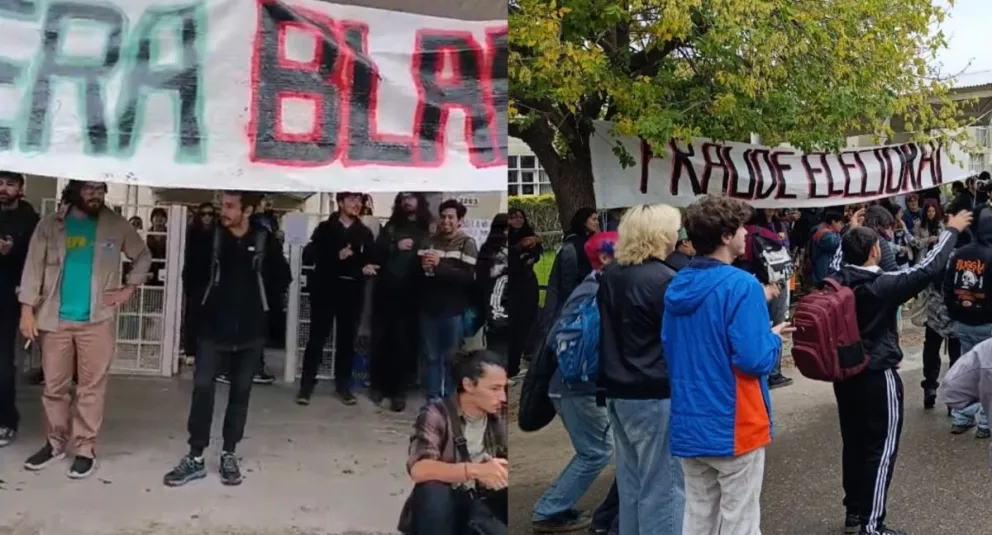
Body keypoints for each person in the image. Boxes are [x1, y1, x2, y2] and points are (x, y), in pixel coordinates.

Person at [829, 209, 970, 535]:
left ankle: (854, 513)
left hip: (845, 374)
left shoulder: (836, 278)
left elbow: (841, 255)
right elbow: (928, 267)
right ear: (875, 251)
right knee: (881, 448)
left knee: (853, 442)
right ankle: (873, 524)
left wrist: (850, 233)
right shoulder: (882, 285)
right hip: (878, 374)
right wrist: (950, 230)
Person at [662, 195, 789, 535]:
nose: (746, 233)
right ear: (724, 236)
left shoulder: (677, 284)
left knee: (700, 515)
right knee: (740, 521)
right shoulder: (741, 285)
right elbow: (754, 359)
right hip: (735, 419)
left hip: (690, 418)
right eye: (740, 227)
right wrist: (773, 338)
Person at [18, 180, 151, 479]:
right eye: (89, 189)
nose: (95, 195)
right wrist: (27, 310)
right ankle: (54, 443)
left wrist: (127, 290)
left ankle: (85, 448)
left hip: (97, 320)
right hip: (55, 320)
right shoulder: (50, 225)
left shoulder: (116, 225)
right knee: (54, 387)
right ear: (75, 190)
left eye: (100, 189)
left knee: (91, 388)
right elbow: (33, 268)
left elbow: (142, 255)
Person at [162, 191, 290, 487]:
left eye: (231, 206)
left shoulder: (263, 240)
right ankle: (195, 456)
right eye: (223, 205)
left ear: (247, 210)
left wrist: (259, 307)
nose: (224, 211)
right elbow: (190, 277)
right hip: (211, 330)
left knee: (240, 395)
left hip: (250, 331)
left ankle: (229, 453)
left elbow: (282, 278)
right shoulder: (210, 238)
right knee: (203, 389)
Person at [597, 204, 685, 535]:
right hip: (654, 389)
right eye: (676, 228)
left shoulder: (612, 274)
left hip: (619, 390)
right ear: (661, 233)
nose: (679, 234)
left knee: (632, 485)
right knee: (664, 488)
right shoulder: (664, 280)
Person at [531, 231, 618, 534]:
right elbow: (564, 340)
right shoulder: (596, 290)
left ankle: (553, 507)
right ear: (605, 258)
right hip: (578, 387)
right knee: (596, 451)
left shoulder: (592, 286)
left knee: (598, 448)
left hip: (575, 386)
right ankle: (548, 510)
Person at [398, 349, 508, 535]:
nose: (503, 397)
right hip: (448, 503)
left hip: (485, 499)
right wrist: (475, 470)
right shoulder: (436, 414)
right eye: (494, 389)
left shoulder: (501, 414)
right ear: (469, 385)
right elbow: (419, 469)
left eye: (504, 388)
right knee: (433, 491)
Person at [298, 191, 376, 406]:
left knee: (346, 340)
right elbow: (310, 254)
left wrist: (366, 266)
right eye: (351, 199)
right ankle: (306, 385)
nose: (356, 204)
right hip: (325, 288)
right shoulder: (325, 228)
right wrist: (335, 255)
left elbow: (370, 259)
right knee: (317, 338)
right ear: (340, 202)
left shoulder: (364, 232)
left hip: (352, 291)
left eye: (359, 200)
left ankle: (343, 385)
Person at [368, 193, 432, 412]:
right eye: (403, 198)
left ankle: (399, 391)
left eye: (411, 197)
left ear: (420, 201)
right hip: (386, 294)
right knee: (382, 341)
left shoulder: (427, 229)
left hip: (412, 296)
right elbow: (375, 254)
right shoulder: (391, 228)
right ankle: (378, 387)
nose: (407, 201)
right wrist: (394, 245)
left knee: (405, 344)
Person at [418, 199, 478, 401]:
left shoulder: (467, 244)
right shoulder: (429, 241)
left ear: (460, 220)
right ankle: (433, 398)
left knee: (450, 359)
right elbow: (417, 275)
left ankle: (450, 399)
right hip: (428, 309)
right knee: (431, 357)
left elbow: (469, 278)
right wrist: (424, 269)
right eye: (443, 217)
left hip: (453, 311)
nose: (446, 221)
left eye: (451, 217)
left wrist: (440, 265)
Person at [942, 204, 992, 437]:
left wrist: (955, 312)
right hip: (987, 323)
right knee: (988, 372)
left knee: (966, 366)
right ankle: (984, 422)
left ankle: (962, 416)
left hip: (963, 321)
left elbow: (948, 286)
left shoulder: (959, 254)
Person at [0, 171, 39, 447]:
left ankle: (6, 420)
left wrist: (10, 252)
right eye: (0, 183)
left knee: (3, 362)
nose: (3, 189)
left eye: (10, 184)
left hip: (9, 297)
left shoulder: (30, 220)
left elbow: (35, 262)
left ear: (21, 188)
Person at [939, 338, 992, 469]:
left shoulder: (986, 350)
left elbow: (952, 390)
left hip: (966, 324)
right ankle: (983, 423)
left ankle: (965, 419)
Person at [507, 208, 542, 379]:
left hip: (528, 282)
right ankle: (512, 364)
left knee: (530, 320)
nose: (517, 220)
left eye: (520, 217)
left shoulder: (529, 234)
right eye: (513, 217)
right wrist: (520, 247)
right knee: (514, 325)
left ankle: (528, 354)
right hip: (511, 284)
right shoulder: (505, 237)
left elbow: (536, 255)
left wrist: (531, 250)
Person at [181, 202, 216, 362]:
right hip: (195, 281)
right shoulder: (192, 233)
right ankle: (191, 350)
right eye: (203, 214)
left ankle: (207, 350)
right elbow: (188, 259)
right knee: (192, 316)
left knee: (211, 318)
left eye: (210, 214)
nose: (207, 217)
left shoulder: (218, 234)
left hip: (213, 281)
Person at [808, 211, 844, 286]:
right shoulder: (824, 234)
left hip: (822, 268)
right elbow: (835, 243)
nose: (842, 226)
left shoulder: (821, 230)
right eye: (840, 223)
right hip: (822, 269)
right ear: (833, 222)